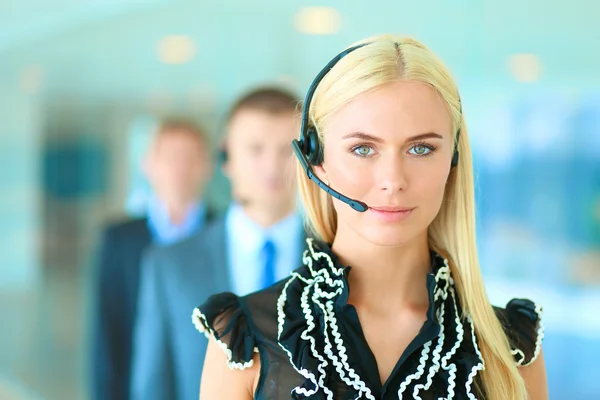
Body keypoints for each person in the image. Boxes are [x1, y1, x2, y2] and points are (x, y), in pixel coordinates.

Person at [194, 35, 548, 400]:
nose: (393, 181)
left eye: (421, 148)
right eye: (363, 149)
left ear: (453, 160)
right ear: (316, 160)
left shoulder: (512, 349)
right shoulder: (244, 341)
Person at [130, 87, 308, 400]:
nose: (271, 166)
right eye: (255, 149)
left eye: (287, 149)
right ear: (227, 157)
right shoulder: (170, 264)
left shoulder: (336, 258)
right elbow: (152, 385)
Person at [91, 118, 213, 400]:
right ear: (148, 164)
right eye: (171, 157)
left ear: (207, 166)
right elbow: (107, 331)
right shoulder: (118, 240)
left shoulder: (226, 234)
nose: (180, 168)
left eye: (191, 157)